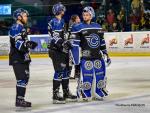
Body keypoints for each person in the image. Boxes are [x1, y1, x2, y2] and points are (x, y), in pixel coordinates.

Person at [70, 6, 111, 101]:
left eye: (87, 15)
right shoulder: (77, 27)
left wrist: (106, 54)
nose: (85, 16)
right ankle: (85, 93)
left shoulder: (97, 26)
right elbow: (74, 44)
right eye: (84, 15)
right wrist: (75, 60)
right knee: (87, 76)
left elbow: (102, 42)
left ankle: (98, 91)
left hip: (98, 56)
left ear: (91, 16)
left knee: (100, 75)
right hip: (85, 57)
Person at [47, 2, 77, 104]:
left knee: (66, 71)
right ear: (59, 10)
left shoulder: (62, 21)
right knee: (59, 71)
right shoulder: (55, 22)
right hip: (56, 50)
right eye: (62, 9)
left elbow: (64, 35)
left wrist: (69, 39)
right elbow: (55, 37)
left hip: (63, 50)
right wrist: (64, 43)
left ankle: (66, 92)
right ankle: (55, 95)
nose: (64, 10)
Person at [9, 8, 37, 107]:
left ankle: (20, 99)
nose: (26, 17)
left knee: (25, 78)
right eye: (24, 16)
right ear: (19, 17)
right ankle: (19, 100)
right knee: (22, 79)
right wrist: (27, 44)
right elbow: (17, 43)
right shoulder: (16, 27)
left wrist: (27, 44)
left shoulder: (21, 28)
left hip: (23, 57)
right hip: (17, 57)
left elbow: (22, 43)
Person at [68, 15, 81, 79]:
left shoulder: (71, 26)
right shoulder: (77, 26)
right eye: (78, 18)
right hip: (76, 45)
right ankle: (77, 74)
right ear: (75, 20)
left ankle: (69, 74)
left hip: (71, 45)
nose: (79, 19)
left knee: (71, 60)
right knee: (77, 60)